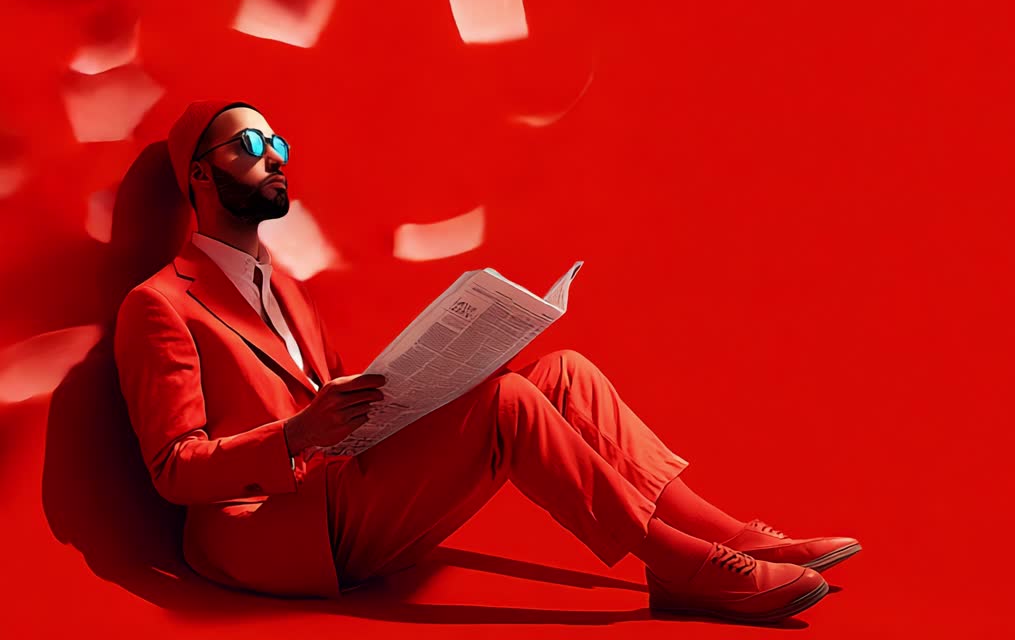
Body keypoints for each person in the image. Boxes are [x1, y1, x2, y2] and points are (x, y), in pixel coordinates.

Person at [113, 99, 862, 625]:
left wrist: (391, 396)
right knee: (507, 405)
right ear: (200, 178)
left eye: (277, 144)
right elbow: (175, 468)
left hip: (338, 484)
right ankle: (677, 565)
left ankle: (727, 535)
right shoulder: (159, 305)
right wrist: (300, 437)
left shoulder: (287, 289)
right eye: (249, 146)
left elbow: (326, 400)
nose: (273, 157)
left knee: (566, 371)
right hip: (276, 534)